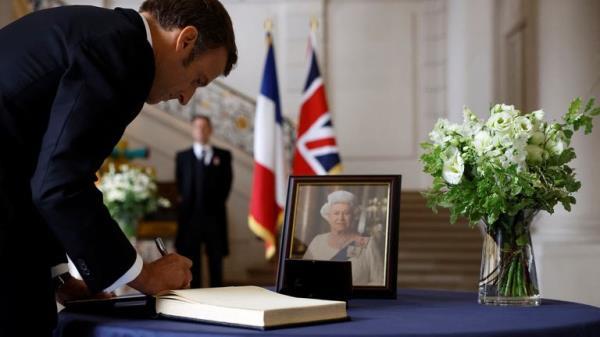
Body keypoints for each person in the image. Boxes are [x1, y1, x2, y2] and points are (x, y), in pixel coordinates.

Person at [0, 0, 237, 335]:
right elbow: (61, 184)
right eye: (197, 80)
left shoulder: (100, 31)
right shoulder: (122, 53)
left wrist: (60, 277)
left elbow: (37, 172)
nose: (186, 97)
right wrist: (146, 276)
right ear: (185, 39)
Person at [175, 115, 233, 288]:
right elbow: (180, 185)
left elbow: (227, 183)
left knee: (216, 259)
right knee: (192, 260)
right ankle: (197, 296)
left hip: (214, 218)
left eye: (204, 127)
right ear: (192, 130)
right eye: (197, 127)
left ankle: (218, 294)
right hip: (190, 218)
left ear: (210, 130)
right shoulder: (182, 157)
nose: (201, 130)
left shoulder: (224, 155)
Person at [303, 190, 384, 286]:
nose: (341, 218)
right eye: (336, 213)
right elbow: (304, 275)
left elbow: (379, 281)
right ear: (329, 217)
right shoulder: (317, 241)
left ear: (354, 216)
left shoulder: (368, 244)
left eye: (346, 213)